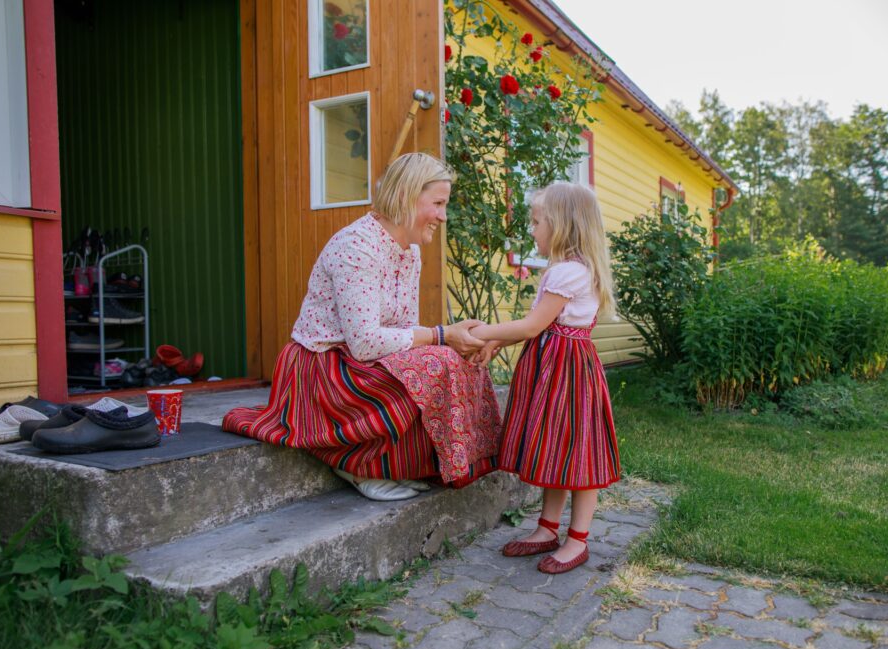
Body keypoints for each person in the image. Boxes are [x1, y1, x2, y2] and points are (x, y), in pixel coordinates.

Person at [223, 153, 501, 501]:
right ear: (406, 196)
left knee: (456, 359)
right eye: (438, 204)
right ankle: (355, 462)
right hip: (322, 369)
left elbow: (403, 331)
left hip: (357, 364)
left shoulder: (408, 250)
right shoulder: (357, 246)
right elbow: (366, 343)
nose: (443, 216)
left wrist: (470, 338)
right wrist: (442, 336)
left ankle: (401, 465)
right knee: (438, 360)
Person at [470, 182, 620, 574]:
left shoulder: (570, 272)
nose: (532, 230)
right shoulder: (564, 269)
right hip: (554, 367)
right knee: (556, 449)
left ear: (562, 225)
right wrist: (500, 343)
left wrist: (481, 332)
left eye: (537, 222)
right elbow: (537, 324)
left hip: (567, 372)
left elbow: (532, 326)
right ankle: (547, 528)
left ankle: (577, 540)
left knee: (577, 453)